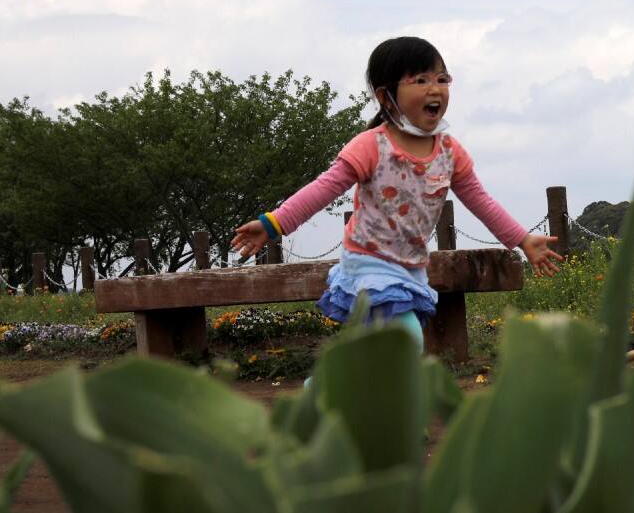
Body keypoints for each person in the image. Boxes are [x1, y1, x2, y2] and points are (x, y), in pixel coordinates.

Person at [230, 36, 563, 351]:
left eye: (442, 79)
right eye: (420, 80)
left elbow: (480, 201)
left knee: (371, 352)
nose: (435, 89)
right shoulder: (372, 145)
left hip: (411, 268)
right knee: (405, 339)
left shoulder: (450, 152)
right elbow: (323, 189)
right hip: (367, 262)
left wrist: (521, 239)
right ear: (386, 96)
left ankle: (322, 397)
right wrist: (273, 223)